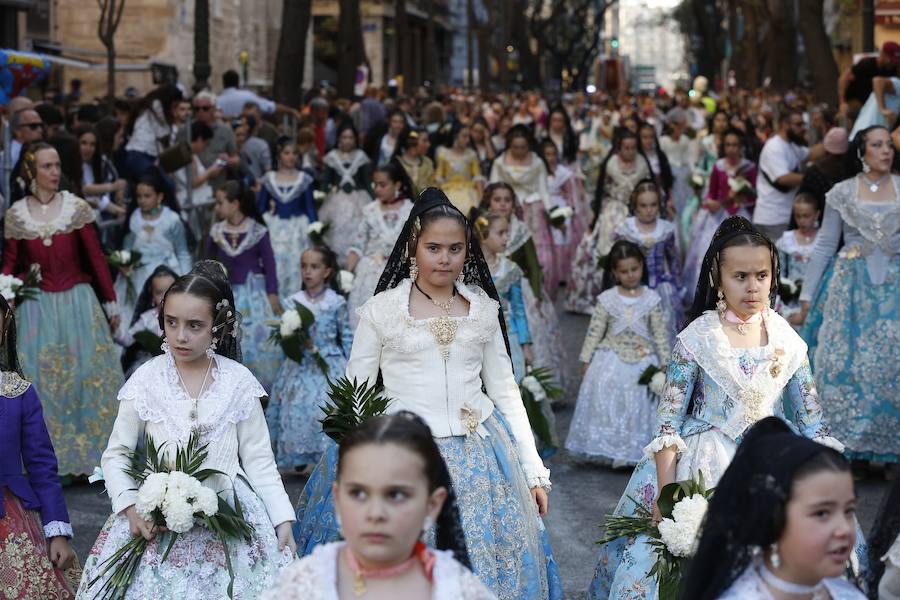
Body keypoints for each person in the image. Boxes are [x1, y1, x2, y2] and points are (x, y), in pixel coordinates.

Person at [294, 189, 562, 600]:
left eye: (455, 249)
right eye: (433, 247)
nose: (444, 259)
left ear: (467, 251)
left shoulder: (483, 310)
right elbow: (356, 392)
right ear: (413, 246)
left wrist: (531, 470)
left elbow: (506, 391)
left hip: (479, 460)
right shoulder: (383, 310)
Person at [588, 216, 844, 600]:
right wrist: (667, 494)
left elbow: (812, 421)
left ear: (773, 276)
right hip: (704, 466)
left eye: (761, 275)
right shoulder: (696, 338)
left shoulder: (789, 341)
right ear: (717, 278)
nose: (752, 286)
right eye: (740, 276)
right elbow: (668, 423)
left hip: (770, 463)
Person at [77, 261, 296, 599]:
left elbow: (259, 460)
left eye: (195, 325)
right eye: (171, 322)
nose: (180, 335)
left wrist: (282, 517)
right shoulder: (147, 378)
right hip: (155, 521)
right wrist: (131, 508)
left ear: (218, 327)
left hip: (229, 521)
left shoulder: (238, 382)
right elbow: (117, 454)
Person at [264, 412, 497, 600]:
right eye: (358, 493)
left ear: (432, 504)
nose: (375, 514)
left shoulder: (459, 589)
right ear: (337, 498)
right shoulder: (300, 585)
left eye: (396, 495)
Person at [2, 143, 123, 477]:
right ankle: (46, 460)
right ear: (31, 172)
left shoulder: (76, 208)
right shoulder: (16, 214)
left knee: (84, 377)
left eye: (56, 165)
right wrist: (6, 295)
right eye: (46, 166)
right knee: (42, 381)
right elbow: (10, 265)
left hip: (78, 304)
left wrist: (110, 301)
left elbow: (96, 258)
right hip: (37, 309)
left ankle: (94, 458)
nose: (54, 172)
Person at [797, 125, 900, 466]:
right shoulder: (842, 192)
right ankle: (850, 448)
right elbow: (826, 244)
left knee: (889, 363)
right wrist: (807, 295)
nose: (885, 150)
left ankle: (887, 452)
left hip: (893, 289)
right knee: (847, 365)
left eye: (888, 145)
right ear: (861, 152)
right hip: (849, 289)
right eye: (877, 144)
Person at [682, 417, 865, 600]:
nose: (844, 529)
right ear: (773, 517)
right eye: (822, 513)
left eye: (849, 511)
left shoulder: (846, 594)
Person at [566, 240, 670, 467]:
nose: (630, 275)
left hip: (643, 360)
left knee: (639, 404)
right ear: (614, 273)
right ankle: (612, 450)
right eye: (624, 271)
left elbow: (660, 333)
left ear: (642, 267)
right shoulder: (607, 299)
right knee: (610, 398)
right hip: (610, 357)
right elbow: (595, 330)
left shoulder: (652, 299)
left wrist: (665, 363)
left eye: (634, 269)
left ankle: (633, 451)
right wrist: (585, 359)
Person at [0, 294, 77, 599]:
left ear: (3, 331)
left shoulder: (18, 393)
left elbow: (42, 469)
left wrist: (57, 533)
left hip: (11, 520)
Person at [267, 246, 353, 470]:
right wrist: (293, 340)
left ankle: (325, 456)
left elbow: (345, 335)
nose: (307, 271)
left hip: (329, 362)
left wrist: (352, 366)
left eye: (314, 267)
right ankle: (298, 454)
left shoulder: (336, 302)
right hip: (301, 364)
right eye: (304, 266)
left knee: (323, 405)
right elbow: (285, 338)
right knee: (297, 404)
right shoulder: (291, 302)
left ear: (327, 272)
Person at [480, 182, 567, 392]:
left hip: (517, 293)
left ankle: (531, 387)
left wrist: (536, 294)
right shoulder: (480, 232)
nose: (502, 204)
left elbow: (533, 265)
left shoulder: (520, 231)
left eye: (507, 200)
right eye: (497, 200)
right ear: (488, 202)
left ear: (513, 204)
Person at [207, 181, 282, 391]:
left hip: (254, 295)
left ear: (235, 203)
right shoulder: (217, 231)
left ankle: (258, 385)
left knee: (257, 338)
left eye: (220, 202)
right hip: (225, 295)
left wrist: (273, 292)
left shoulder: (257, 231)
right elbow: (207, 261)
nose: (217, 207)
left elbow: (269, 263)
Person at [567, 129, 652, 314]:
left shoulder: (642, 163)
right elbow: (600, 191)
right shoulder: (611, 164)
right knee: (606, 250)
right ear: (619, 149)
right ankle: (610, 294)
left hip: (636, 213)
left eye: (632, 148)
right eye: (626, 148)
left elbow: (648, 188)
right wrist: (595, 218)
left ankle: (634, 293)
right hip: (612, 211)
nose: (629, 152)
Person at [684, 127, 758, 298]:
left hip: (741, 215)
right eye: (728, 145)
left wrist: (741, 198)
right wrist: (710, 202)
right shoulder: (718, 167)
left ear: (741, 147)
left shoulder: (749, 168)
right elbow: (712, 192)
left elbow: (754, 196)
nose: (731, 149)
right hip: (719, 216)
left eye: (735, 145)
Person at [115, 169, 192, 329]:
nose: (142, 200)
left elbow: (183, 253)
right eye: (139, 196)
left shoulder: (171, 220)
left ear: (160, 196)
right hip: (138, 275)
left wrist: (187, 281)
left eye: (147, 196)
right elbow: (127, 247)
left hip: (166, 274)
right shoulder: (134, 218)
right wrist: (123, 262)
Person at [490, 125, 558, 300]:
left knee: (541, 257)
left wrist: (552, 211)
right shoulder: (500, 163)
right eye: (515, 147)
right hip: (506, 211)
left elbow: (543, 189)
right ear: (509, 146)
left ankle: (539, 293)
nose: (519, 151)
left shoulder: (537, 162)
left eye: (523, 147)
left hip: (533, 211)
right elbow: (492, 187)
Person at [346, 162, 415, 329]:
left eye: (382, 185)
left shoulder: (411, 210)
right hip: (370, 273)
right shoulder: (369, 210)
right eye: (374, 184)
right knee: (368, 322)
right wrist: (347, 274)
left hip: (400, 274)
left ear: (397, 184)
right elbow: (358, 244)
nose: (377, 189)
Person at [613, 179, 683, 334]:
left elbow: (673, 260)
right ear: (635, 206)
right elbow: (618, 260)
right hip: (632, 286)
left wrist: (677, 285)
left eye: (653, 205)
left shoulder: (665, 229)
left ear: (659, 205)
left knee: (664, 328)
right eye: (643, 206)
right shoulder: (626, 229)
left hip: (660, 287)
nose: (649, 210)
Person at [257, 136, 317, 295]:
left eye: (295, 153)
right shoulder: (269, 179)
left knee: (295, 264)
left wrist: (315, 230)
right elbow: (260, 208)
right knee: (274, 262)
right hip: (275, 229)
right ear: (279, 156)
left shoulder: (303, 179)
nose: (291, 156)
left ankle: (295, 302)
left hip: (298, 230)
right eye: (287, 153)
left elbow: (310, 208)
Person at [753, 109, 812, 242]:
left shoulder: (791, 145)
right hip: (773, 218)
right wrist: (813, 179)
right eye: (798, 125)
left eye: (803, 124)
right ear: (785, 125)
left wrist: (832, 143)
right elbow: (784, 178)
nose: (802, 128)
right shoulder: (774, 147)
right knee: (775, 261)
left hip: (783, 216)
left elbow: (810, 154)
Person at [320, 123, 373, 266]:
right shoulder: (331, 157)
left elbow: (367, 182)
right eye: (344, 137)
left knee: (357, 230)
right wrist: (321, 196)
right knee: (336, 231)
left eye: (350, 137)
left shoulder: (361, 156)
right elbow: (325, 182)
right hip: (337, 200)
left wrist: (375, 201)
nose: (347, 140)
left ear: (355, 139)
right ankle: (336, 265)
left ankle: (354, 264)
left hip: (359, 199)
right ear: (338, 139)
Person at [114, 264, 178, 377]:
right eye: (159, 293)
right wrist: (115, 330)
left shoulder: (186, 316)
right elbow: (128, 339)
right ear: (152, 294)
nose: (165, 297)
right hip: (153, 370)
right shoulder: (147, 318)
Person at [541, 139, 587, 287]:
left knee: (561, 237)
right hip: (543, 207)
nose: (551, 157)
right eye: (547, 154)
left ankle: (562, 275)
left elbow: (571, 193)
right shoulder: (539, 172)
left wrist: (572, 209)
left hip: (559, 206)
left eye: (553, 154)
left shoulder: (563, 173)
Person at [123, 84, 183, 184]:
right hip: (140, 154)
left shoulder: (152, 106)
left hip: (144, 155)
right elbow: (164, 134)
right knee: (165, 184)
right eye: (175, 106)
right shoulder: (156, 106)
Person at [776, 193, 820, 325]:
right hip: (792, 301)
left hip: (817, 297)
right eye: (798, 216)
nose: (802, 220)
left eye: (806, 216)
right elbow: (779, 275)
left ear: (817, 215)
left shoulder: (823, 241)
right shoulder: (786, 241)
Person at [839, 42, 900, 122]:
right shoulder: (867, 64)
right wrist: (842, 102)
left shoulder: (892, 69)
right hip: (856, 101)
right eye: (891, 59)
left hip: (872, 104)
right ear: (883, 54)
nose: (893, 62)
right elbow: (844, 79)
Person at [192, 90, 239, 191]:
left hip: (217, 188)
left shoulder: (225, 131)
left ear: (213, 109)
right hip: (193, 190)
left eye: (205, 108)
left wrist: (227, 161)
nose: (201, 112)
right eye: (197, 109)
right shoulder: (186, 130)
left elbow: (236, 159)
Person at [435, 122, 484, 216]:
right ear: (456, 136)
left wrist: (481, 196)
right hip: (448, 191)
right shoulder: (444, 154)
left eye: (469, 137)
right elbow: (439, 177)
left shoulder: (471, 154)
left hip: (469, 192)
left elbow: (477, 176)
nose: (468, 140)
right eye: (464, 136)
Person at [217, 69, 300, 119]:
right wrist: (291, 111)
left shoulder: (217, 101)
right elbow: (270, 107)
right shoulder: (247, 96)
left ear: (224, 83)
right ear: (238, 83)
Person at [393, 127, 436, 197]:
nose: (429, 144)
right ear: (412, 142)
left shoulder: (428, 162)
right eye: (424, 141)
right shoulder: (397, 165)